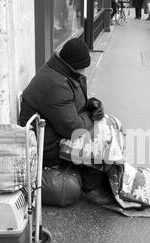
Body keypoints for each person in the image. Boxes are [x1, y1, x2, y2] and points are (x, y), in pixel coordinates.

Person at [20, 38, 112, 205]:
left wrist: (92, 105)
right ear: (72, 65)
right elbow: (74, 128)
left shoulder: (63, 73)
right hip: (47, 147)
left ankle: (97, 177)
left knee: (107, 126)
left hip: (54, 132)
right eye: (83, 67)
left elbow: (74, 105)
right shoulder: (55, 83)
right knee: (99, 138)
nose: (84, 72)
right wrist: (91, 116)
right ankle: (91, 188)